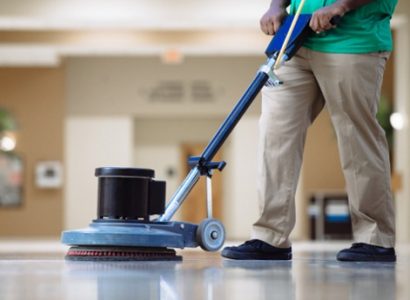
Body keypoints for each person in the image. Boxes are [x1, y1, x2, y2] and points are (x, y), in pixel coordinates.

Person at [221, 0, 398, 262]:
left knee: (357, 138)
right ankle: (271, 235)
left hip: (352, 41)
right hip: (295, 40)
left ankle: (375, 239)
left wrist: (343, 6)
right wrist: (276, 6)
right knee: (275, 135)